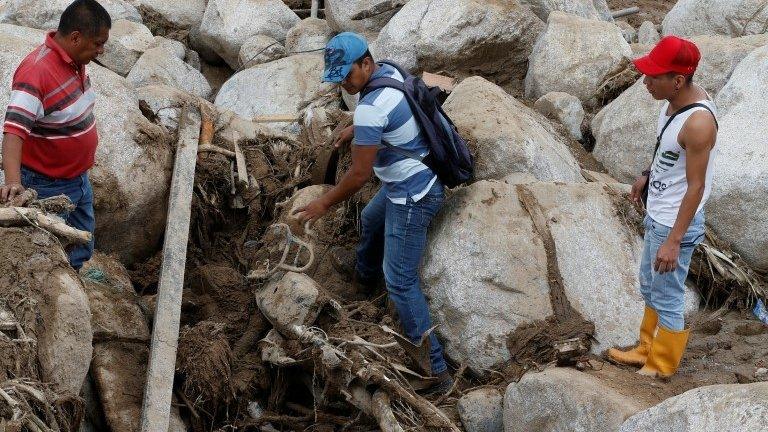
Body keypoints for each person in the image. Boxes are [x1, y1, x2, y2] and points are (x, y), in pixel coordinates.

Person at [294, 32, 452, 393]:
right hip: (414, 175)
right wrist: (356, 127)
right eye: (340, 79)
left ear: (366, 63)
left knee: (400, 281)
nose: (346, 85)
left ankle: (437, 372)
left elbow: (359, 175)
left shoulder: (370, 107)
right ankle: (362, 279)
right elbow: (391, 113)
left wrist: (324, 202)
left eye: (348, 75)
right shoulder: (392, 74)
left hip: (412, 195)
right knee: (369, 219)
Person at [607, 36, 718, 378]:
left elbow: (696, 186)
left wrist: (674, 240)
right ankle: (645, 348)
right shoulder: (671, 103)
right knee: (648, 284)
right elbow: (668, 154)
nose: (645, 82)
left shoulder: (698, 123)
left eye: (654, 76)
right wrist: (647, 174)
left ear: (678, 79)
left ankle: (661, 366)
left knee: (668, 295)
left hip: (674, 224)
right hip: (658, 214)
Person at [0, 0, 111, 270]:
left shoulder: (73, 61)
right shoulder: (36, 72)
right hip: (48, 183)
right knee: (52, 247)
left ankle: (77, 274)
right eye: (97, 43)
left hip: (78, 178)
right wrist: (13, 182)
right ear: (75, 37)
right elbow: (14, 132)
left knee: (82, 237)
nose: (101, 50)